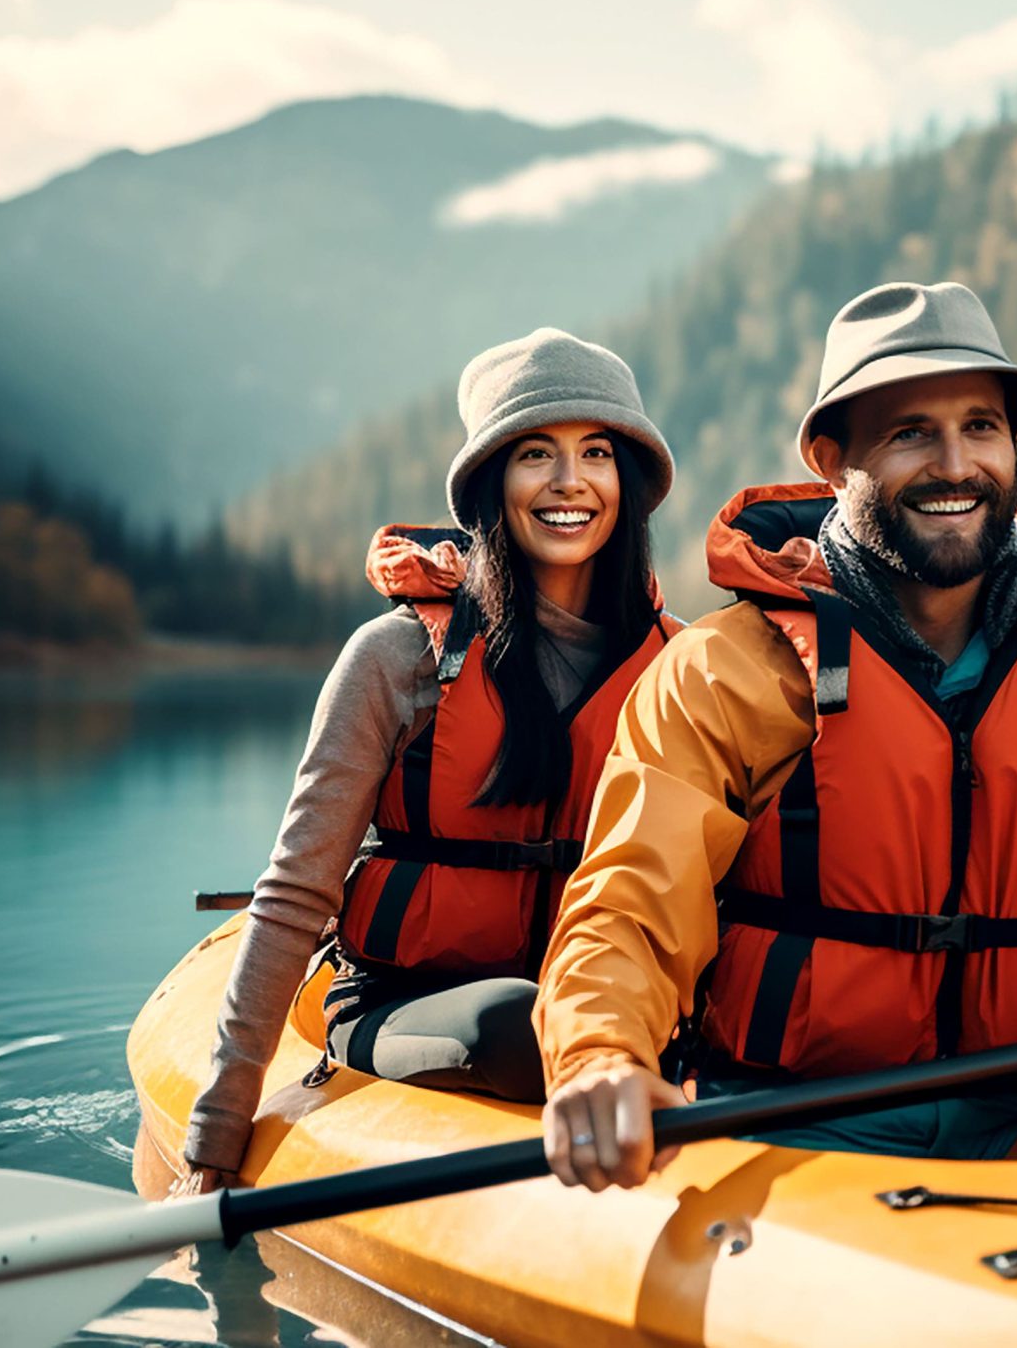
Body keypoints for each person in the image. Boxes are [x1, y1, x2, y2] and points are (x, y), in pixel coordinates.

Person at [534, 281, 1017, 1190]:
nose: (955, 464)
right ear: (830, 458)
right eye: (909, 434)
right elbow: (626, 907)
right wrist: (601, 1055)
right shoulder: (723, 673)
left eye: (982, 426)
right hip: (790, 1116)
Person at [177, 328, 677, 1193]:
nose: (570, 482)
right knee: (517, 1022)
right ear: (491, 486)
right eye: (535, 454)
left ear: (627, 485)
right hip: (414, 1002)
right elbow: (297, 893)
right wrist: (216, 1136)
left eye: (596, 452)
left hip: (604, 1012)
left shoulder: (678, 666)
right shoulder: (397, 658)